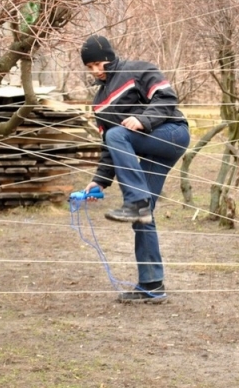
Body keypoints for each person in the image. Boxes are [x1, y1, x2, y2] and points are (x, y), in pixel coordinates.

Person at [80, 34, 190, 304]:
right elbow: (109, 146)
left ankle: (135, 201)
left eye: (98, 64)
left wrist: (142, 119)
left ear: (109, 57)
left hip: (172, 133)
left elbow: (167, 99)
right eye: (89, 67)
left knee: (117, 134)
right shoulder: (99, 102)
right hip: (147, 147)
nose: (95, 71)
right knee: (144, 217)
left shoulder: (138, 69)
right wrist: (100, 182)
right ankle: (151, 285)